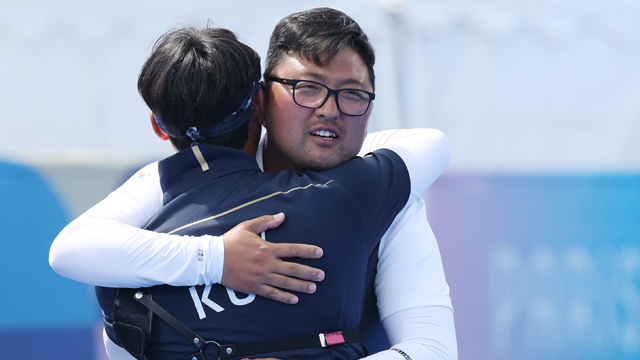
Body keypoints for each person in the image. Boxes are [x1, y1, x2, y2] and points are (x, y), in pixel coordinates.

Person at [49, 7, 456, 360]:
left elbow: (432, 349)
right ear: (261, 98)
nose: (330, 111)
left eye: (352, 94)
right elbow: (73, 248)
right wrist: (218, 258)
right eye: (308, 88)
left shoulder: (385, 197)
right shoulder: (169, 185)